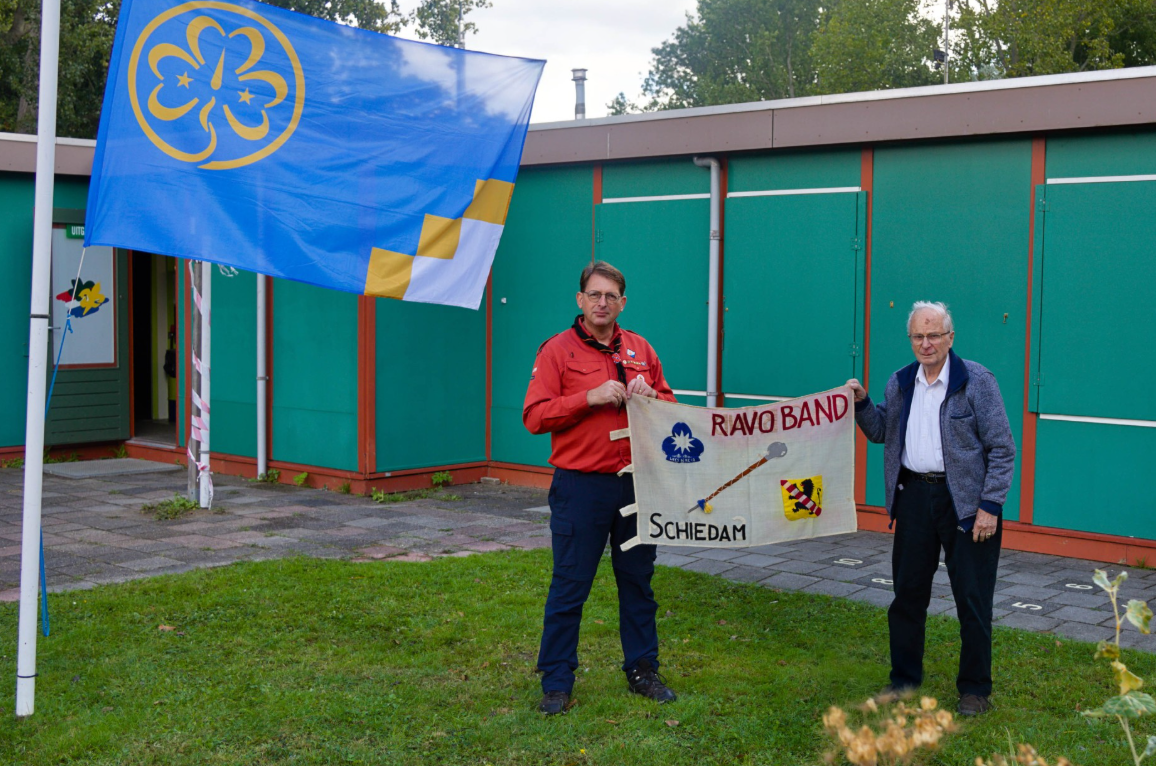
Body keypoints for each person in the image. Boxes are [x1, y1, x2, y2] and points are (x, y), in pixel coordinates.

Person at [523, 260, 678, 716]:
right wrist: (585, 398)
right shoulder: (557, 351)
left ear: (622, 303)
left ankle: (642, 669)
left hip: (635, 486)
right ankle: (557, 681)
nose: (602, 303)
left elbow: (670, 405)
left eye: (611, 296)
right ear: (580, 300)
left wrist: (655, 398)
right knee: (570, 585)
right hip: (581, 488)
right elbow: (534, 416)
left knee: (638, 583)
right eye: (595, 295)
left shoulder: (641, 348)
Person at [846, 301, 1015, 717]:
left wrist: (989, 506)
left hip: (966, 505)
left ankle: (975, 690)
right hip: (915, 498)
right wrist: (864, 403)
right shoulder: (900, 382)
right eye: (919, 336)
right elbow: (884, 431)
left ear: (950, 337)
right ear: (911, 339)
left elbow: (1002, 448)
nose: (926, 344)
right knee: (907, 596)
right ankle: (903, 681)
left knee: (973, 600)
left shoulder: (977, 381)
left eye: (934, 335)